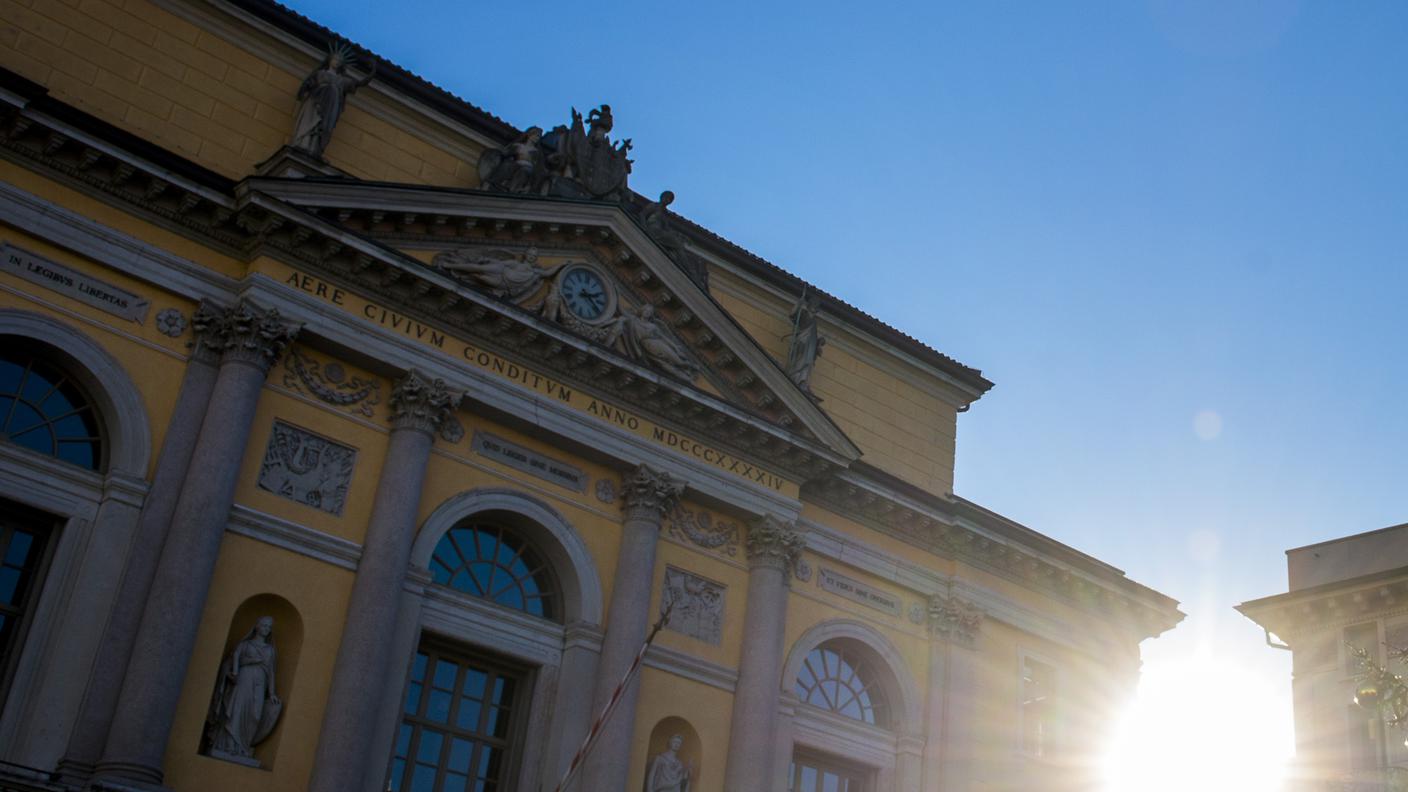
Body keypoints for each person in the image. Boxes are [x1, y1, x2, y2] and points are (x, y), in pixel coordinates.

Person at [206, 616, 282, 760]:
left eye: (268, 627)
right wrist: (241, 667)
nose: (266, 629)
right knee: (237, 709)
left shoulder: (270, 650)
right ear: (257, 626)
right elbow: (234, 662)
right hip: (244, 679)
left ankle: (243, 747)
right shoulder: (245, 645)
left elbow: (271, 672)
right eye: (264, 625)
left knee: (255, 714)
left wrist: (272, 693)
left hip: (261, 684)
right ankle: (228, 746)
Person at [291, 45, 375, 158]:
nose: (337, 62)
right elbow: (307, 85)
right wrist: (303, 91)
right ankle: (304, 144)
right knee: (311, 124)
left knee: (323, 128)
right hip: (315, 104)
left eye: (340, 61)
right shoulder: (320, 74)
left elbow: (361, 83)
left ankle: (315, 149)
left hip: (330, 109)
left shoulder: (342, 80)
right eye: (335, 59)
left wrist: (372, 71)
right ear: (330, 60)